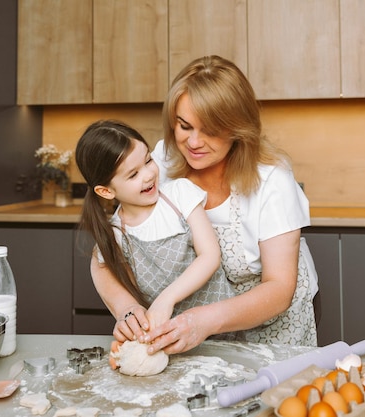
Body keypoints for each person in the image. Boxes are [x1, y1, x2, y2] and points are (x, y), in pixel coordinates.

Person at [92, 55, 319, 354]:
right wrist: (127, 308)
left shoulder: (272, 181)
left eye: (210, 130)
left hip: (273, 327)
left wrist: (203, 321)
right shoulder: (160, 163)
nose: (194, 142)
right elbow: (105, 257)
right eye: (184, 126)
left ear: (238, 128)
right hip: (193, 329)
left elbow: (278, 289)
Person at [75, 119, 237, 333]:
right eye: (133, 174)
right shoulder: (115, 234)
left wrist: (166, 299)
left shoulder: (180, 195)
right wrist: (128, 310)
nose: (149, 174)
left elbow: (210, 256)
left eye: (148, 160)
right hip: (172, 340)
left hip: (220, 328)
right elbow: (103, 272)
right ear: (106, 191)